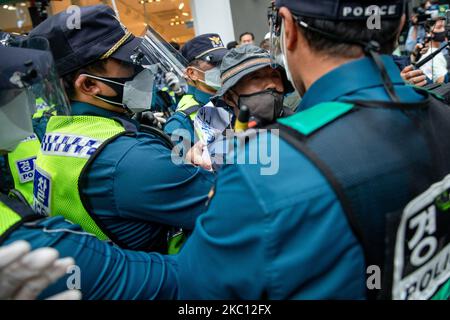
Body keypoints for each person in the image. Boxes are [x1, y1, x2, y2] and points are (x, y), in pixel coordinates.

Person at [174, 0, 450, 300]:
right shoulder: (440, 112)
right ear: (399, 25)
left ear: (288, 29)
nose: (268, 88)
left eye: (269, 77)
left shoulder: (261, 172)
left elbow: (196, 292)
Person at [29, 5, 214, 253]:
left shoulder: (59, 132)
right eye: (129, 62)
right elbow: (235, 207)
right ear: (90, 85)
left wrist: (178, 165)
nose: (142, 70)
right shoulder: (129, 159)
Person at [0, 44, 179, 300]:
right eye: (9, 93)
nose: (26, 101)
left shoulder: (62, 134)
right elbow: (170, 277)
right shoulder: (24, 245)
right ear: (88, 85)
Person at [164, 34, 228, 146]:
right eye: (215, 61)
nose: (223, 66)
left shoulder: (235, 98)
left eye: (225, 59)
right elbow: (182, 162)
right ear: (192, 73)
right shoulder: (180, 124)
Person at [417, 18, 448, 83]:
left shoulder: (433, 51)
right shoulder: (433, 55)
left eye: (443, 27)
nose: (443, 30)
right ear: (429, 33)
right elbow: (441, 81)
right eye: (439, 27)